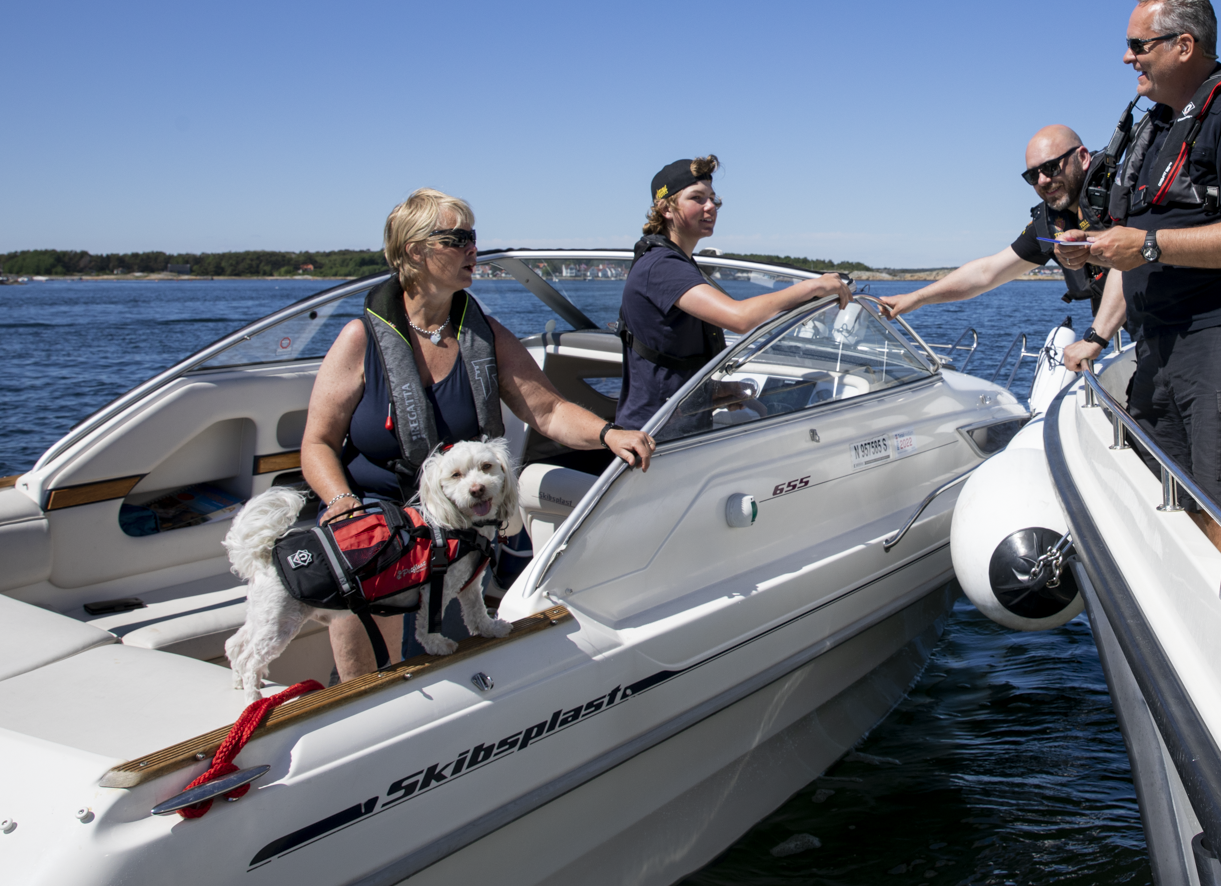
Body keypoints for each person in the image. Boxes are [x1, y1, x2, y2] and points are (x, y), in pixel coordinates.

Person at [299, 188, 656, 680]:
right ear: (415, 252)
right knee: (377, 680)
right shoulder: (360, 340)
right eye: (458, 238)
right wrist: (342, 504)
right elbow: (316, 443)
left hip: (454, 526)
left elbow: (548, 411)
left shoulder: (485, 335)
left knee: (455, 667)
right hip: (375, 527)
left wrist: (610, 434)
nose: (473, 249)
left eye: (474, 238)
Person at [1056, 0, 1221, 509]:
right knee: (1158, 499)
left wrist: (1145, 246)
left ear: (1183, 46)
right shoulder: (1157, 130)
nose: (1128, 57)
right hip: (1158, 346)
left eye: (1139, 45)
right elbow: (1137, 249)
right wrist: (1098, 329)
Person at [614, 155, 853, 432]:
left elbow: (669, 357)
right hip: (655, 434)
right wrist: (814, 286)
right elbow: (739, 318)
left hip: (674, 420)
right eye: (697, 198)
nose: (710, 207)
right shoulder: (662, 266)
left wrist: (714, 392)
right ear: (666, 209)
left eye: (713, 199)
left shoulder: (676, 262)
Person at [876, 125, 1127, 373]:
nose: (1043, 181)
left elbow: (1133, 262)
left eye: (1051, 168)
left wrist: (1095, 338)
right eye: (1032, 176)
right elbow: (986, 273)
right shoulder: (1050, 224)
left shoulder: (1125, 193)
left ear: (1082, 158)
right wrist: (915, 299)